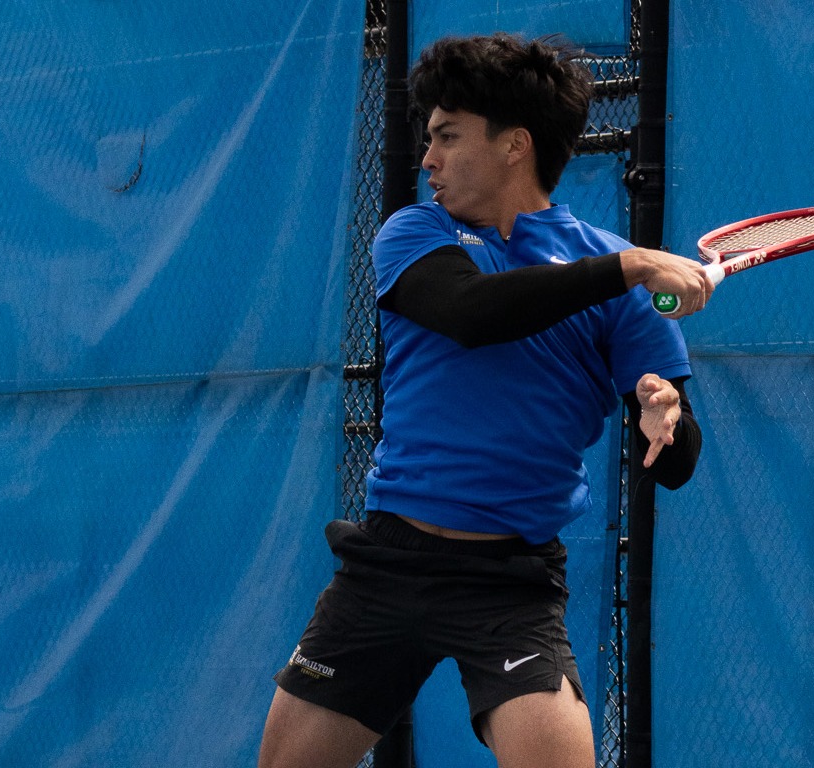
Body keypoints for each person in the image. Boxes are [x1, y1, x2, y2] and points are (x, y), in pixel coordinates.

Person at [259, 33, 712, 768]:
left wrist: (665, 415)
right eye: (426, 139)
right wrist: (626, 265)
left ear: (515, 145)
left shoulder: (620, 289)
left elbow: (675, 464)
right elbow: (472, 314)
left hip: (513, 586)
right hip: (387, 566)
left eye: (447, 137)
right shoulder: (415, 232)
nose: (427, 159)